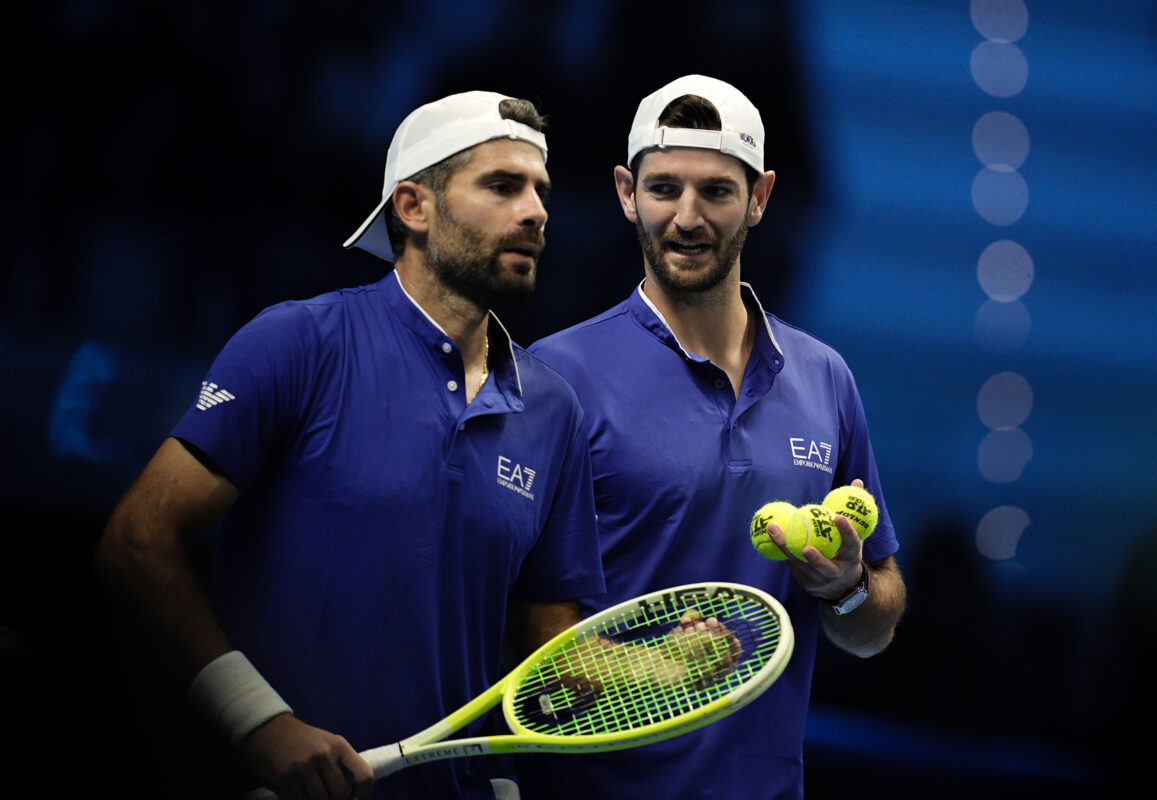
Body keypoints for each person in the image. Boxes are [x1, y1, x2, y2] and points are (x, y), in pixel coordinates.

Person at [92, 90, 607, 800]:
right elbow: (135, 540)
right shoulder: (297, 342)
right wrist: (261, 724)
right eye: (502, 185)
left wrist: (663, 668)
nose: (536, 211)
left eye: (541, 191)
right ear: (413, 207)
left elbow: (548, 656)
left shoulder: (555, 411)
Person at [518, 75, 907, 799]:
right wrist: (660, 667)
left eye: (717, 192)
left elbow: (872, 627)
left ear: (759, 198)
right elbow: (528, 637)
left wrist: (847, 587)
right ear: (626, 192)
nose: (687, 217)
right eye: (663, 189)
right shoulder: (554, 379)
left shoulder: (827, 379)